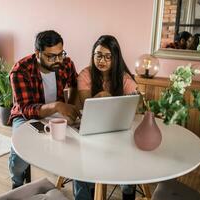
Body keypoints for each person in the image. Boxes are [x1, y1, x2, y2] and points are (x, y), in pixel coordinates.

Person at [8, 30, 81, 189]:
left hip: (57, 113)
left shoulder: (66, 63)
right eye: (51, 57)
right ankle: (17, 183)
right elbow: (26, 109)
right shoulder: (20, 70)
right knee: (19, 157)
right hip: (25, 116)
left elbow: (76, 84)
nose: (58, 60)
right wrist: (57, 105)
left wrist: (73, 106)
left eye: (60, 54)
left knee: (77, 145)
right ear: (37, 53)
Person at [76, 35, 137, 200]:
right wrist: (104, 95)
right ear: (93, 55)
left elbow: (134, 107)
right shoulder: (85, 75)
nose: (102, 60)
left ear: (115, 58)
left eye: (108, 56)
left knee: (129, 158)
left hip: (118, 131)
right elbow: (86, 106)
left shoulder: (124, 78)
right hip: (91, 129)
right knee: (81, 164)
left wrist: (107, 96)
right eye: (98, 55)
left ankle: (128, 192)